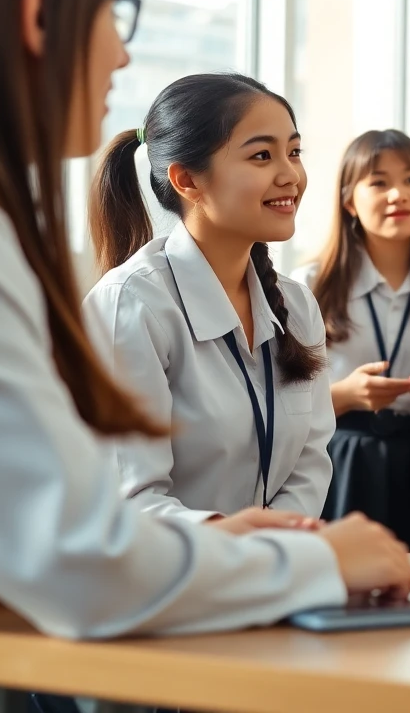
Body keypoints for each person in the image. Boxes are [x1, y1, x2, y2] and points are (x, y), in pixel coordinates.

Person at [0, 0, 410, 704]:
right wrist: (310, 561)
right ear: (39, 11)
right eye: (111, 8)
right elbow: (72, 557)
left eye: (294, 151)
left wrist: (262, 545)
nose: (122, 53)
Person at [85, 74, 335, 524]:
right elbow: (132, 498)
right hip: (172, 565)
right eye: (262, 155)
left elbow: (310, 463)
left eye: (294, 152)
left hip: (274, 561)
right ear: (187, 180)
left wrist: (275, 543)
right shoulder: (132, 304)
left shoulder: (296, 305)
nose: (291, 176)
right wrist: (246, 544)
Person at [293, 130, 410, 553]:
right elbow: (279, 401)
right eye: (379, 182)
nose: (398, 194)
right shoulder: (309, 284)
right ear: (349, 200)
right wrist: (345, 395)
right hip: (343, 459)